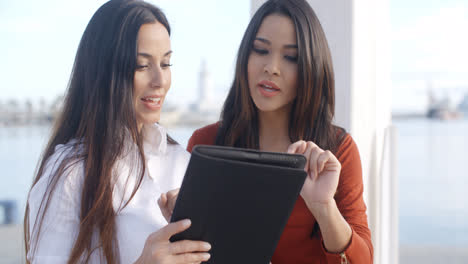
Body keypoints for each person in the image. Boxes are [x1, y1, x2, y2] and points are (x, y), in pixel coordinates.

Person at [161, 0, 373, 263]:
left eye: (290, 57)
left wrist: (324, 208)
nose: (271, 67)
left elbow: (362, 260)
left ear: (310, 66)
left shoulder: (337, 150)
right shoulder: (207, 143)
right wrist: (180, 227)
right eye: (260, 50)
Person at [23, 0, 211, 263]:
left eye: (166, 64)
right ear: (106, 70)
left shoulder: (183, 162)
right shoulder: (71, 174)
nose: (160, 81)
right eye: (142, 65)